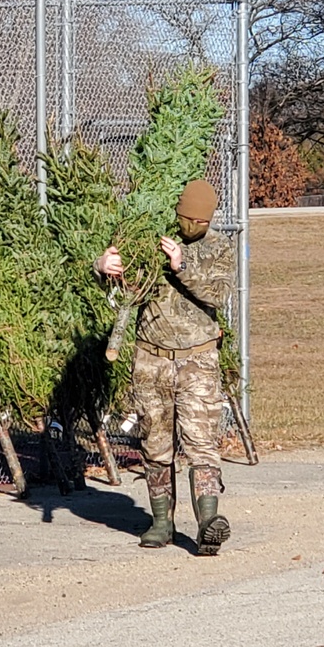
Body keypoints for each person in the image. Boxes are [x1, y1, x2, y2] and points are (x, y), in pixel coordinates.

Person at [94, 180, 235, 554]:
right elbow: (123, 289)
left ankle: (208, 521)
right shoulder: (153, 241)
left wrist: (182, 265)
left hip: (198, 360)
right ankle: (161, 522)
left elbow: (218, 294)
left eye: (198, 221)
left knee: (201, 443)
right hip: (151, 358)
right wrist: (102, 266)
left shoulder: (218, 247)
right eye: (186, 218)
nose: (191, 226)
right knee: (155, 442)